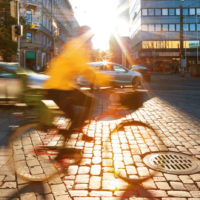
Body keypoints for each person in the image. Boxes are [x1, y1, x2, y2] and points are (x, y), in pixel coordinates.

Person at [43, 25, 111, 135]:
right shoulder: (77, 49)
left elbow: (78, 69)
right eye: (90, 39)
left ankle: (71, 135)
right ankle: (70, 134)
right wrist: (107, 80)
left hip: (56, 87)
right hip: (59, 89)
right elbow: (85, 70)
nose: (91, 43)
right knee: (91, 102)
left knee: (73, 117)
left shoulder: (73, 45)